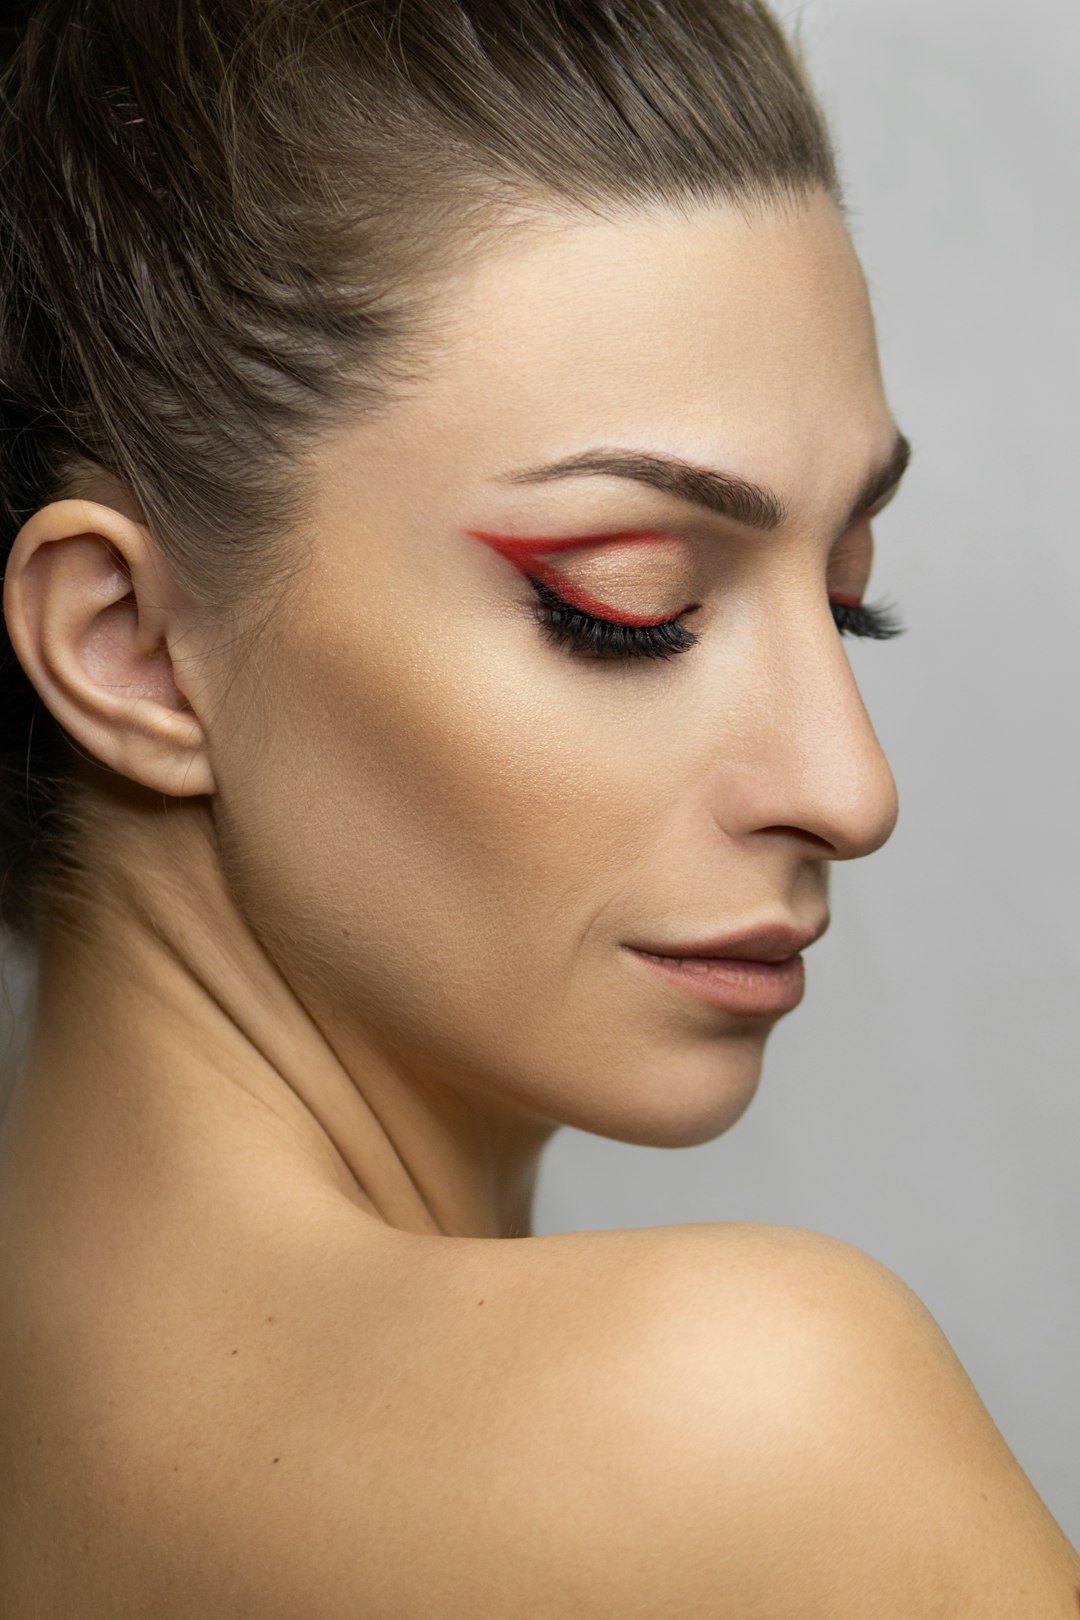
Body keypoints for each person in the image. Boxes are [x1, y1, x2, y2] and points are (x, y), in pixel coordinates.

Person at [1, 1, 1077, 1613]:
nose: (852, 790)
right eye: (625, 603)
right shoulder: (745, 1423)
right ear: (134, 650)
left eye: (848, 600)